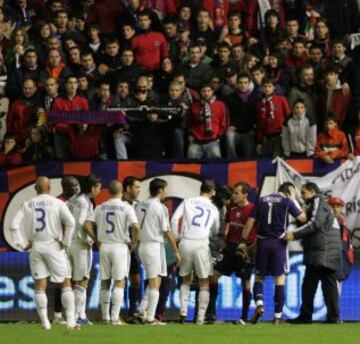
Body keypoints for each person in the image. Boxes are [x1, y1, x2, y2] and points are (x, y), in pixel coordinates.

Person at [10, 177, 78, 330]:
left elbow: (14, 226)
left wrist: (21, 244)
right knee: (65, 283)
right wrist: (65, 241)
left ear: (35, 188)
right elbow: (71, 222)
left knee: (40, 285)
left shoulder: (27, 204)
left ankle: (45, 323)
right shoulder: (58, 203)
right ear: (50, 187)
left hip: (36, 246)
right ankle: (72, 322)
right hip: (54, 245)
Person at [242, 182, 307, 325]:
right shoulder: (287, 201)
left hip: (262, 243)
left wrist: (243, 241)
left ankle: (259, 304)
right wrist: (294, 199)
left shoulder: (261, 200)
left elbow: (249, 224)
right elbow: (303, 218)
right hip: (279, 243)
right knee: (280, 280)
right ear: (289, 191)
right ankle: (277, 317)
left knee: (259, 278)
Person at [286, 182, 342, 324]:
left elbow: (314, 224)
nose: (303, 196)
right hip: (329, 251)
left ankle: (306, 316)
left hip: (322, 251)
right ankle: (333, 317)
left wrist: (294, 234)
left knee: (309, 284)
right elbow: (308, 221)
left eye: (304, 193)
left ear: (312, 192)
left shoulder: (318, 201)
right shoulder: (318, 205)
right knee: (329, 285)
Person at [86, 180, 140, 325]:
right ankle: (115, 318)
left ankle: (105, 317)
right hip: (120, 246)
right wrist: (133, 243)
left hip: (105, 246)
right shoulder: (126, 207)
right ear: (122, 191)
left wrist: (97, 240)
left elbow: (86, 224)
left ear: (108, 192)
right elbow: (136, 227)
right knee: (119, 281)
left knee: (105, 281)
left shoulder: (100, 207)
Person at [171, 179, 220, 325]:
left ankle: (183, 312)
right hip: (201, 243)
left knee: (186, 278)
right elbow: (215, 230)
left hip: (185, 242)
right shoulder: (214, 208)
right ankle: (200, 318)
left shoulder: (187, 201)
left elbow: (174, 220)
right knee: (204, 281)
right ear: (212, 192)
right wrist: (206, 234)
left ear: (200, 189)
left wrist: (178, 238)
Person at [207, 182, 257, 325]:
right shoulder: (231, 208)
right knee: (214, 275)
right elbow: (227, 225)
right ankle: (211, 313)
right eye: (233, 193)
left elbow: (258, 233)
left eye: (236, 193)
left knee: (246, 284)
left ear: (245, 195)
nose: (233, 196)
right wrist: (224, 241)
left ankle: (244, 317)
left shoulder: (253, 209)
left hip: (245, 251)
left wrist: (250, 250)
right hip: (230, 249)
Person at [135, 178, 180, 324]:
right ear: (160, 190)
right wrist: (175, 251)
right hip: (154, 245)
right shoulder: (160, 207)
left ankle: (142, 309)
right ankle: (150, 318)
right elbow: (167, 232)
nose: (167, 192)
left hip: (142, 246)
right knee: (155, 282)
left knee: (156, 278)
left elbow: (135, 227)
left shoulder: (140, 205)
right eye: (166, 189)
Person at [67, 174, 102, 325]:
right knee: (83, 280)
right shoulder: (86, 202)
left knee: (73, 280)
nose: (99, 191)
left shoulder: (73, 199)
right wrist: (95, 240)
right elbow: (84, 223)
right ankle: (74, 317)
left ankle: (81, 314)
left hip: (68, 243)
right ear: (93, 188)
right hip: (80, 245)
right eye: (99, 188)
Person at [53, 176, 80, 325]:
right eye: (73, 186)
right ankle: (58, 315)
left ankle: (75, 314)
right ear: (65, 187)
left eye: (77, 185)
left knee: (75, 280)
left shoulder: (80, 202)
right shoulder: (58, 202)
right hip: (62, 245)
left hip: (76, 244)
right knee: (62, 281)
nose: (76, 188)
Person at [122, 176, 143, 324]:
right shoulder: (119, 204)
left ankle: (132, 313)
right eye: (136, 187)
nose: (139, 190)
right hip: (121, 245)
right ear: (128, 188)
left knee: (136, 280)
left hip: (134, 247)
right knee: (117, 280)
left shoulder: (140, 205)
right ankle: (111, 314)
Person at [327, 197, 354, 296]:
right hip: (327, 264)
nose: (335, 209)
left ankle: (333, 311)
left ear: (341, 208)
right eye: (332, 206)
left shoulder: (344, 225)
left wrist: (348, 263)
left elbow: (347, 247)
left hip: (340, 266)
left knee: (336, 293)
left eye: (338, 206)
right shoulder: (324, 223)